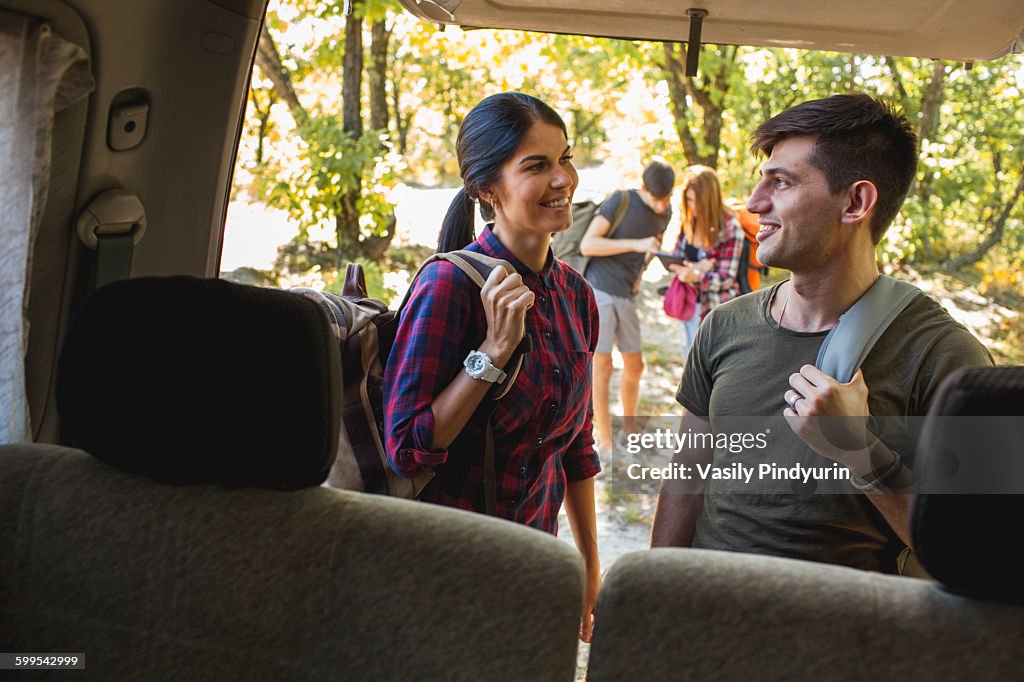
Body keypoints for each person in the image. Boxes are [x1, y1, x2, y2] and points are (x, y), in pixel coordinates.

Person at [650, 93, 993, 572]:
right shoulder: (724, 325)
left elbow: (972, 548)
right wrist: (653, 599)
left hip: (844, 639)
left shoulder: (946, 357)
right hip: (708, 625)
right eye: (761, 180)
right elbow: (688, 477)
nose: (754, 203)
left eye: (782, 182)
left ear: (855, 202)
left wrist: (858, 449)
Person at [383, 92, 602, 641]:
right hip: (443, 575)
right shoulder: (448, 285)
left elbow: (576, 448)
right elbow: (406, 449)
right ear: (487, 189)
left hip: (533, 569)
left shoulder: (576, 295)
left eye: (565, 158)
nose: (563, 179)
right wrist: (493, 353)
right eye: (536, 166)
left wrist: (588, 572)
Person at [578, 160, 675, 451]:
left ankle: (630, 426)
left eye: (667, 199)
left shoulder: (665, 213)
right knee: (603, 366)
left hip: (627, 294)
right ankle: (605, 438)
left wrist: (642, 272)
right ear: (644, 189)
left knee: (635, 364)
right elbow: (588, 245)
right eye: (657, 198)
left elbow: (651, 248)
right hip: (600, 288)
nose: (661, 205)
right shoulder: (620, 201)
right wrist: (636, 244)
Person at [669, 165, 746, 361]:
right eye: (687, 200)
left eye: (693, 201)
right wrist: (694, 268)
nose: (690, 206)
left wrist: (696, 276)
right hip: (688, 304)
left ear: (707, 200)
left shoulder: (730, 228)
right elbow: (678, 255)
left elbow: (726, 278)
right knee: (689, 361)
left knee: (712, 365)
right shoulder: (690, 222)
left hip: (716, 310)